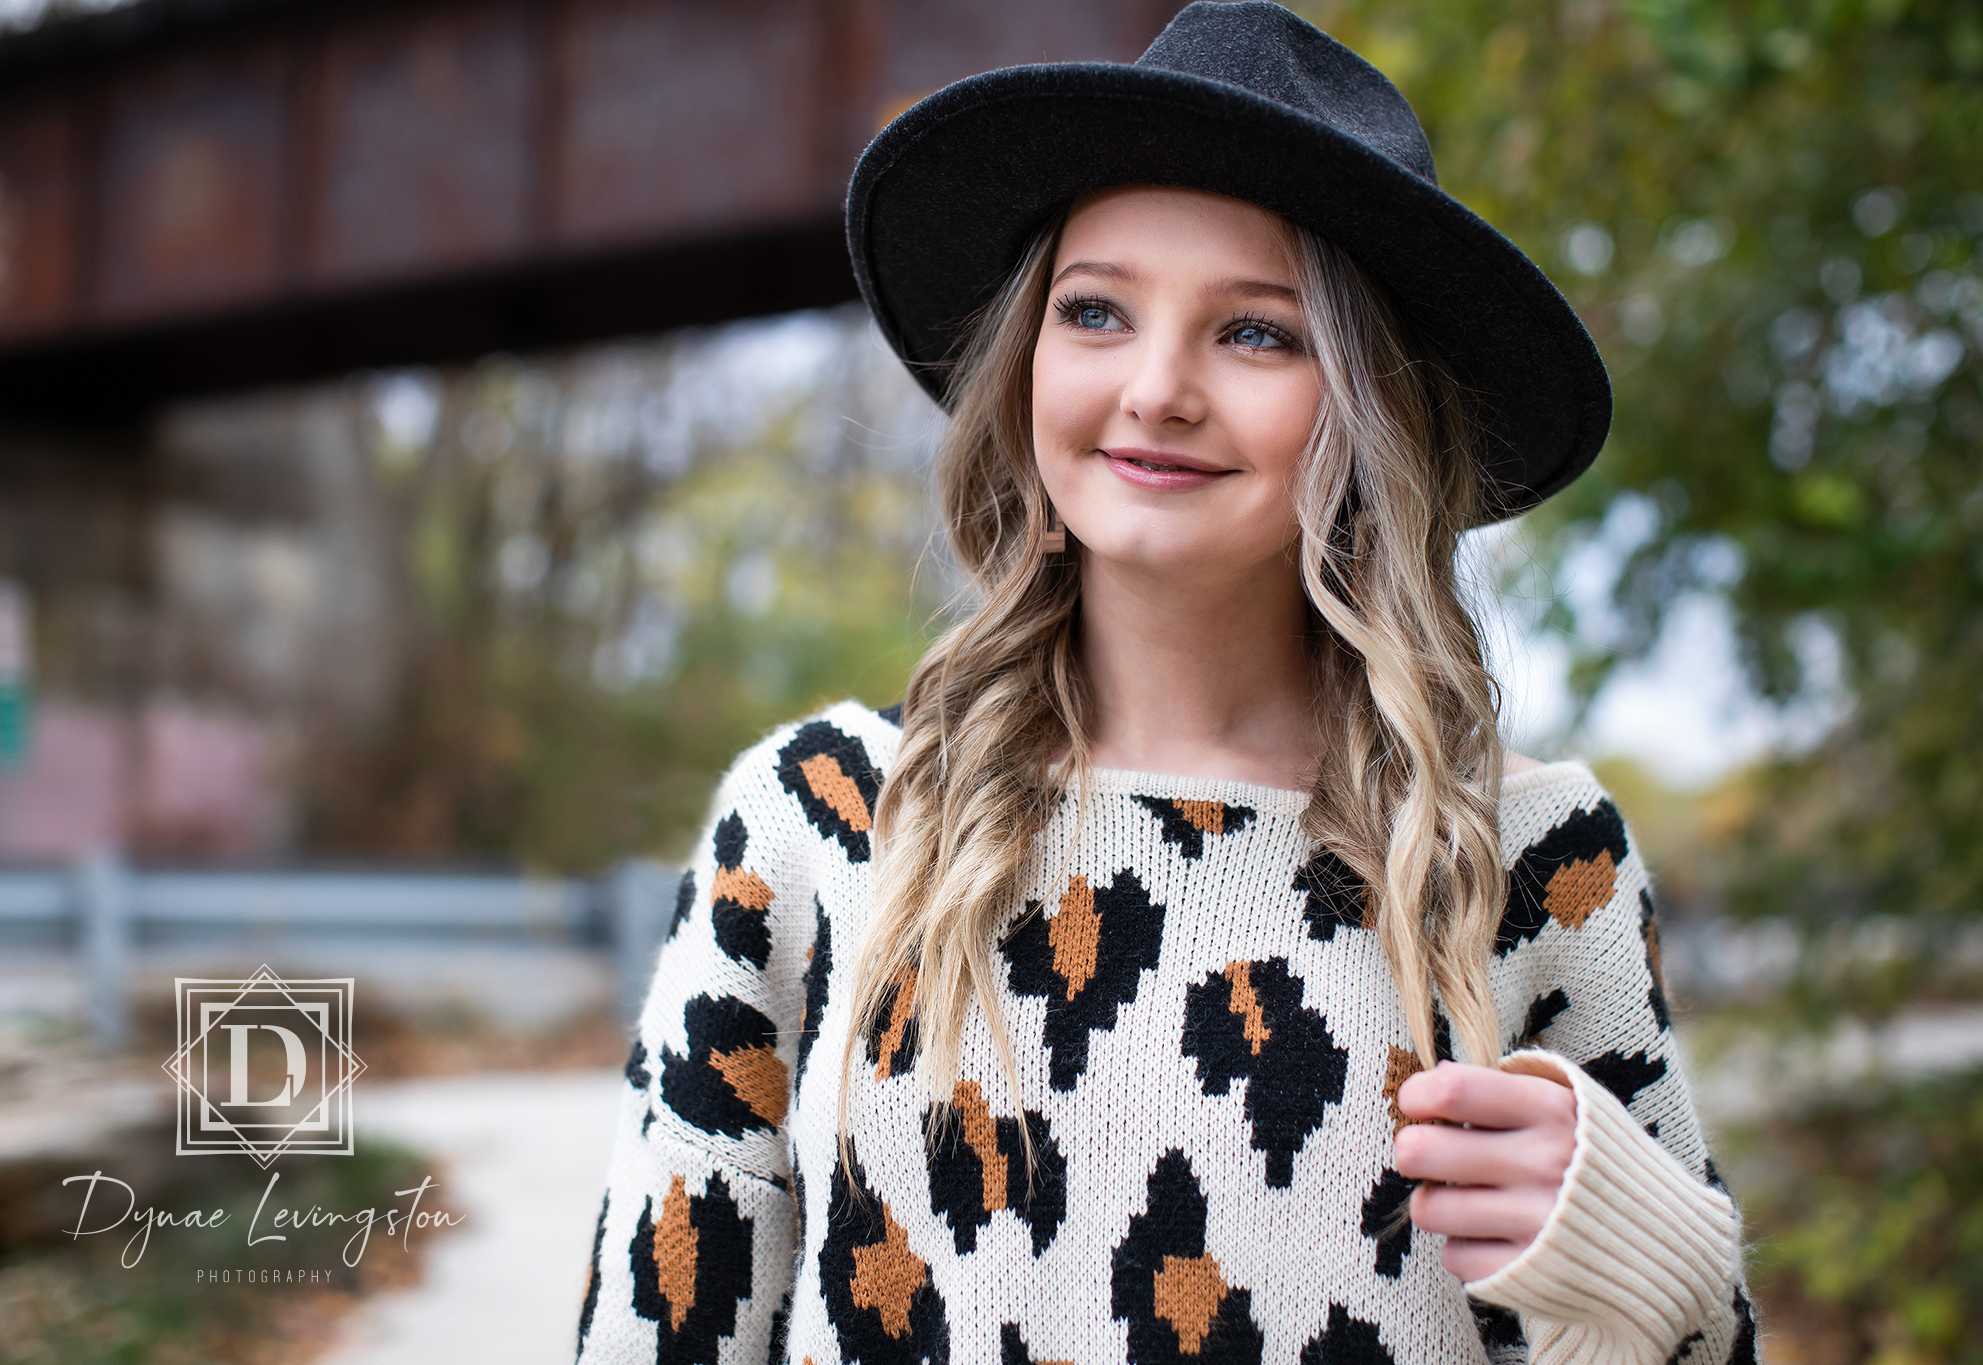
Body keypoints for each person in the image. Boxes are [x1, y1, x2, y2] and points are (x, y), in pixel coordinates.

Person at [574, 4, 1751, 1363]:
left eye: (1257, 333)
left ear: (1371, 410)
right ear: (1026, 361)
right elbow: (655, 1331)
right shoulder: (817, 823)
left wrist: (1632, 1255)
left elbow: (1713, 1351)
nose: (1156, 388)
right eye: (1095, 310)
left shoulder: (1535, 859)